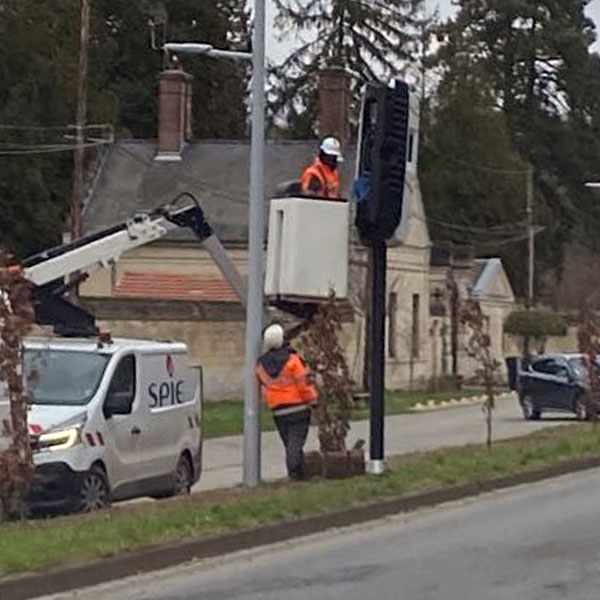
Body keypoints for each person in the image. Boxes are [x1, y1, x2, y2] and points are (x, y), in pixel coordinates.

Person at [256, 324, 318, 480]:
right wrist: (313, 401)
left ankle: (299, 475)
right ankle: (294, 472)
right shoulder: (293, 360)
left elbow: (261, 384)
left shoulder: (261, 365)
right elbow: (303, 384)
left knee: (289, 444)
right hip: (299, 408)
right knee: (295, 444)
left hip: (278, 411)